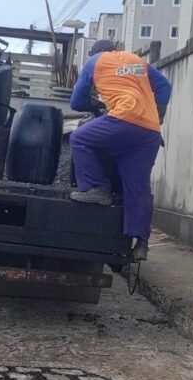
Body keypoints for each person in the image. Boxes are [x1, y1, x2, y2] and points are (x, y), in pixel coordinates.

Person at [68, 40, 171, 261]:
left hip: (123, 119)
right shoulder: (136, 61)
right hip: (149, 132)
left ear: (96, 53)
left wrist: (97, 104)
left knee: (79, 139)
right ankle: (141, 243)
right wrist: (157, 116)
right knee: (138, 187)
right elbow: (164, 87)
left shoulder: (94, 62)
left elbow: (76, 102)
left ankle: (96, 188)